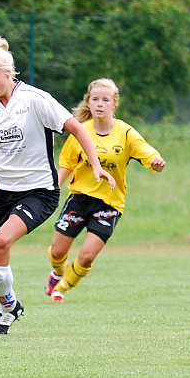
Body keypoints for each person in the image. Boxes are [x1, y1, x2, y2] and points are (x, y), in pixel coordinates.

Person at [0, 37, 115, 335]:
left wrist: (95, 165)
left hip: (38, 192)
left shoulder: (34, 99)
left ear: (8, 73)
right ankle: (10, 308)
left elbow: (77, 129)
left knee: (2, 243)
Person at [44, 79, 165, 302]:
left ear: (114, 105)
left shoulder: (126, 133)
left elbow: (147, 152)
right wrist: (52, 189)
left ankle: (62, 288)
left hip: (109, 203)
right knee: (57, 252)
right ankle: (59, 271)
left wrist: (155, 162)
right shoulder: (80, 132)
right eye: (95, 99)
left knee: (88, 255)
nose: (100, 104)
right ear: (88, 103)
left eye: (105, 100)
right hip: (79, 199)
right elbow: (67, 165)